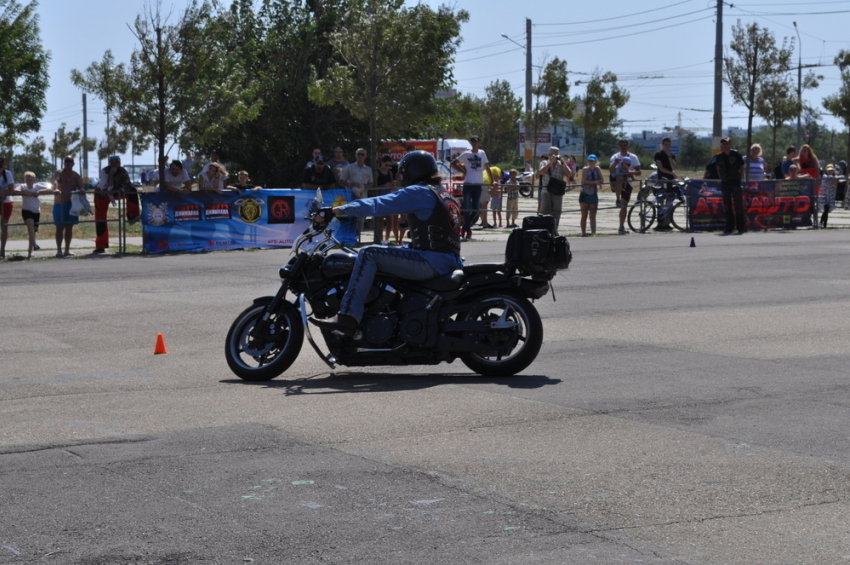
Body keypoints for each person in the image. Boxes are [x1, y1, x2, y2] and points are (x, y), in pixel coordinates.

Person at [310, 150, 463, 337]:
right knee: (391, 251)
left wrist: (336, 211)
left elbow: (377, 204)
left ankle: (348, 317)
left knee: (368, 253)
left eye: (403, 172)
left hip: (431, 262)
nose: (401, 176)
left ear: (412, 171)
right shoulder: (443, 193)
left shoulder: (419, 191)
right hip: (448, 260)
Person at [94, 155, 140, 254]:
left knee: (133, 191)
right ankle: (101, 245)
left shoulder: (123, 171)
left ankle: (133, 215)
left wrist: (121, 190)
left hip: (116, 191)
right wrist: (111, 174)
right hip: (102, 193)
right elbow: (107, 186)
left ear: (119, 163)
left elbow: (128, 184)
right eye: (112, 162)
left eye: (116, 162)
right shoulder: (104, 171)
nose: (114, 164)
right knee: (100, 218)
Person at [451, 135, 490, 240]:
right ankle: (468, 231)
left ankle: (465, 226)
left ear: (479, 143)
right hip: (468, 183)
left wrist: (493, 180)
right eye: (473, 142)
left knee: (477, 209)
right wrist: (463, 171)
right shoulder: (466, 154)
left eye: (476, 142)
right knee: (467, 208)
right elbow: (453, 163)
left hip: (478, 184)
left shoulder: (482, 153)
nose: (474, 143)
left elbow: (487, 166)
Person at [704, 137, 745, 235]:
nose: (725, 145)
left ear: (730, 144)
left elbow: (742, 167)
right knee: (727, 206)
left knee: (738, 205)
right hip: (725, 183)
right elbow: (718, 168)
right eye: (723, 144)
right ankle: (729, 227)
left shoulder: (736, 155)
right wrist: (722, 178)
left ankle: (741, 227)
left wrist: (740, 178)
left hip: (735, 182)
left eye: (726, 143)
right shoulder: (719, 156)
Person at [339, 148, 374, 241]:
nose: (360, 156)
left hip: (363, 196)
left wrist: (363, 186)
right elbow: (341, 180)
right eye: (358, 154)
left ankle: (358, 237)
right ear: (355, 155)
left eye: (362, 154)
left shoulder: (369, 169)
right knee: (351, 216)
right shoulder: (349, 167)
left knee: (361, 218)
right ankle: (350, 238)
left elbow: (372, 183)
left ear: (365, 156)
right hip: (351, 195)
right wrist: (352, 185)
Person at [54, 156, 85, 257]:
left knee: (69, 228)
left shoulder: (76, 175)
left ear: (73, 163)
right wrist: (56, 189)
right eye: (66, 161)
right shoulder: (59, 172)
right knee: (59, 227)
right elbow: (54, 182)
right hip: (59, 204)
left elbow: (81, 187)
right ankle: (59, 250)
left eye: (70, 161)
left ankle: (67, 250)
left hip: (71, 205)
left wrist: (81, 190)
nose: (67, 163)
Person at [609, 139, 642, 235]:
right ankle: (617, 198)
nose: (623, 147)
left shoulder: (633, 157)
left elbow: (639, 172)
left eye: (625, 145)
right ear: (619, 146)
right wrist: (615, 163)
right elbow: (610, 170)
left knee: (624, 205)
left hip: (628, 183)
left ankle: (621, 226)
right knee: (619, 177)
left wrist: (631, 173)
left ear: (628, 146)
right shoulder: (615, 156)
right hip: (617, 181)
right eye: (621, 145)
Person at [537, 146, 571, 236]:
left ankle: (554, 231)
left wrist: (563, 162)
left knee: (556, 212)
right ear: (549, 154)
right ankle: (544, 230)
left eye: (556, 154)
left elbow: (569, 173)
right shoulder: (544, 162)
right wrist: (550, 162)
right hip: (546, 190)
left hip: (557, 191)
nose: (555, 156)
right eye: (552, 154)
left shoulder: (561, 164)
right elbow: (541, 172)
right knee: (544, 211)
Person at [18, 171, 52, 259]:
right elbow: (16, 190)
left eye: (30, 180)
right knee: (30, 226)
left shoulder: (37, 186)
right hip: (26, 211)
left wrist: (40, 191)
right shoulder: (22, 186)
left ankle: (30, 252)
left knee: (33, 231)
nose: (29, 182)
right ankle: (35, 244)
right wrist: (25, 193)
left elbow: (50, 188)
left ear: (34, 180)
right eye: (27, 180)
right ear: (25, 180)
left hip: (36, 212)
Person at [375, 155, 400, 245]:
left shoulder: (389, 173)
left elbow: (392, 183)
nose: (387, 167)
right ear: (382, 162)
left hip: (388, 196)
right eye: (386, 165)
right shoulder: (377, 172)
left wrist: (393, 184)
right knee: (381, 220)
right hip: (380, 196)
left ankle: (387, 238)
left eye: (389, 166)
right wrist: (384, 185)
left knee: (390, 219)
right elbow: (375, 186)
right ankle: (380, 238)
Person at [579, 155, 602, 237]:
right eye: (589, 161)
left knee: (593, 216)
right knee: (584, 215)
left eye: (592, 161)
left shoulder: (597, 169)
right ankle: (583, 233)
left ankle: (593, 232)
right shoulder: (585, 169)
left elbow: (601, 179)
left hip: (593, 194)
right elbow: (584, 180)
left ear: (595, 161)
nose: (591, 162)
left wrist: (593, 182)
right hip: (584, 194)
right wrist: (595, 182)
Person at [0, 157, 15, 259]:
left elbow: (12, 189)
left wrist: (3, 193)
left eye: (1, 164)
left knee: (4, 225)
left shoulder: (7, 174)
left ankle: (2, 250)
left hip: (6, 202)